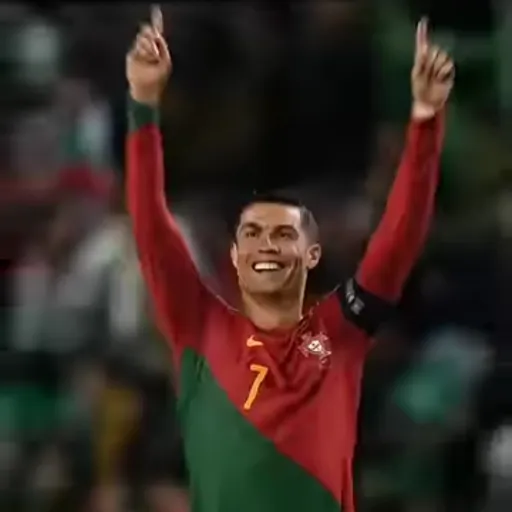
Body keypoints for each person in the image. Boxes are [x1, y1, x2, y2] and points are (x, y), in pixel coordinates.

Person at [125, 7, 454, 512]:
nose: (268, 245)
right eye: (253, 234)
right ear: (234, 257)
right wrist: (143, 106)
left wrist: (426, 122)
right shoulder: (201, 329)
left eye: (283, 234)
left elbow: (400, 237)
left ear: (311, 254)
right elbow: (151, 224)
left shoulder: (338, 330)